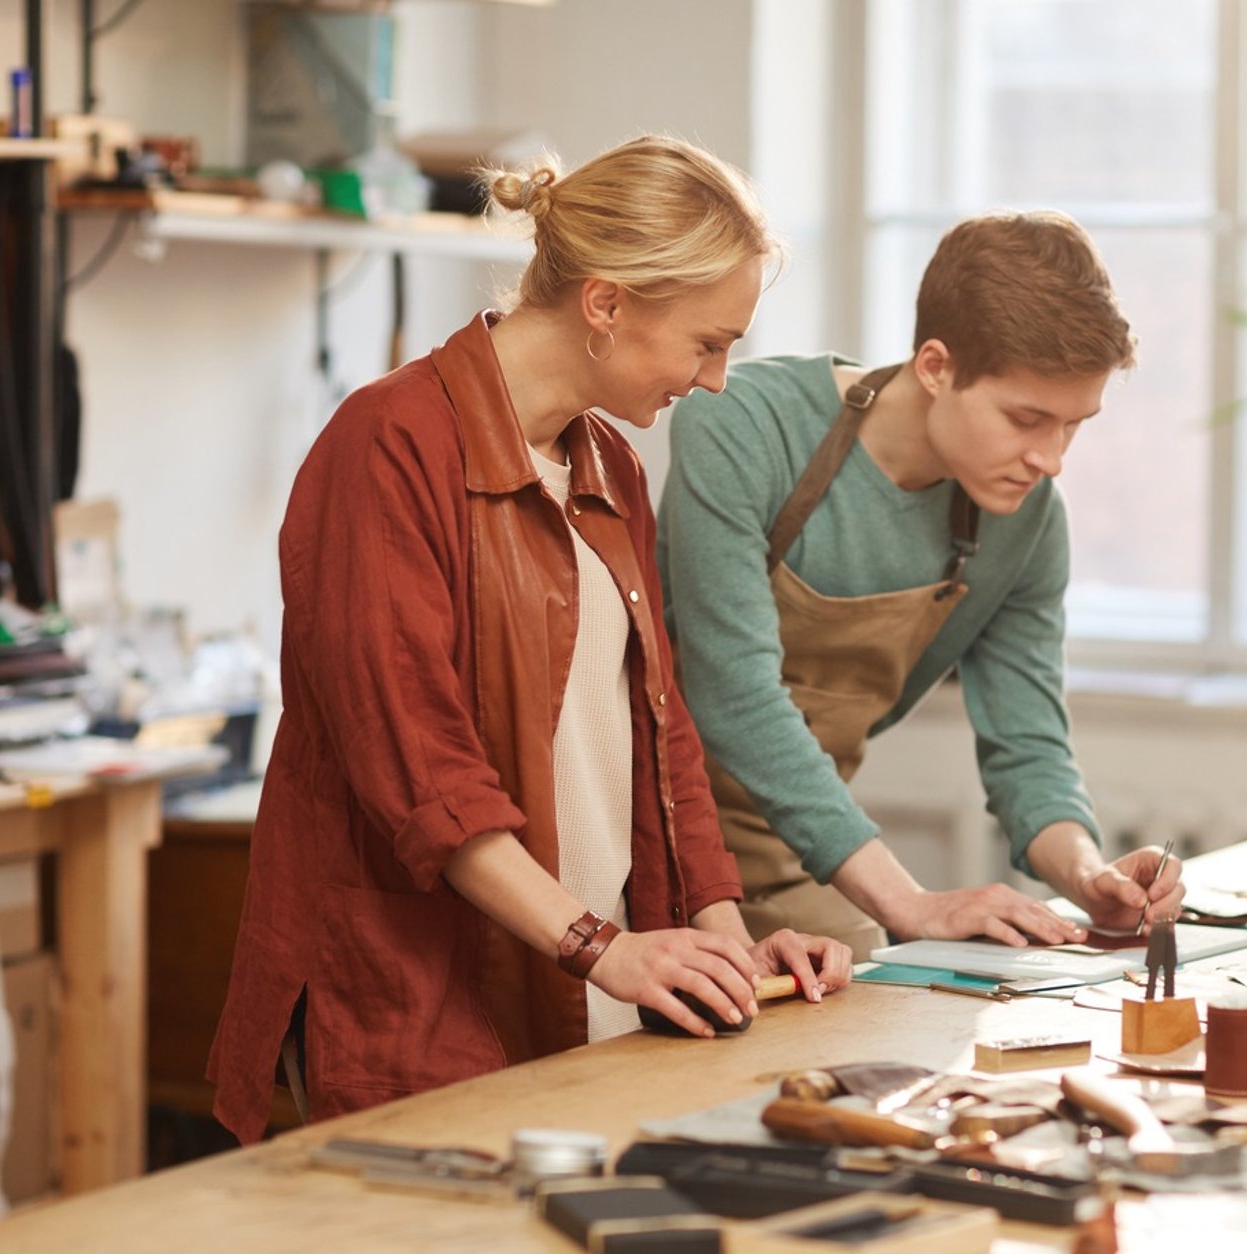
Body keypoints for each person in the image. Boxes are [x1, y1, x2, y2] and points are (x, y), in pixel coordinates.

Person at [208, 136, 853, 1144]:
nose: (718, 380)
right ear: (606, 304)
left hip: (578, 985)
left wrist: (731, 946)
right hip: (412, 1005)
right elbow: (423, 774)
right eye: (707, 342)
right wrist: (603, 946)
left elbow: (662, 741)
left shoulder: (609, 466)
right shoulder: (387, 444)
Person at [657, 211, 1185, 958]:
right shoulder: (744, 425)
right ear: (935, 366)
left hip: (792, 849)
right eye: (1027, 418)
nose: (1052, 459)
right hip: (640, 828)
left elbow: (1027, 746)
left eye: (1074, 424)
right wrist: (909, 902)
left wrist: (1090, 874)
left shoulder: (1027, 522)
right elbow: (733, 697)